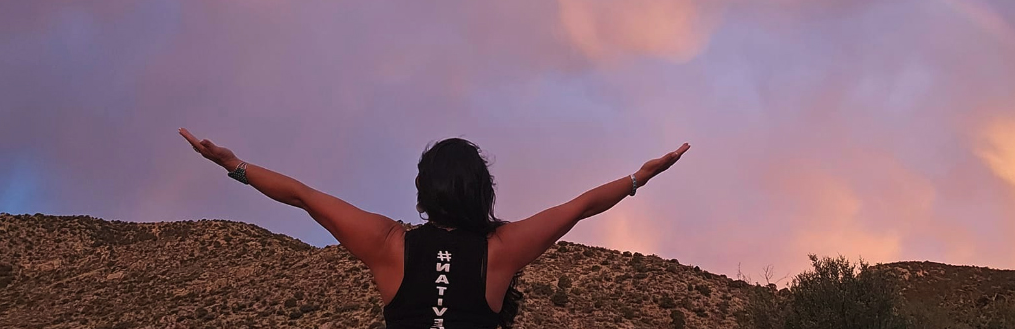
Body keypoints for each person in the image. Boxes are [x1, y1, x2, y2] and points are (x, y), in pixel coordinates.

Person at [179, 128, 690, 328]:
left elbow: (303, 196)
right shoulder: (502, 249)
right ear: (480, 191)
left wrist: (236, 166)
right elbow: (579, 207)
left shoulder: (387, 244)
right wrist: (636, 179)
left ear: (425, 192)